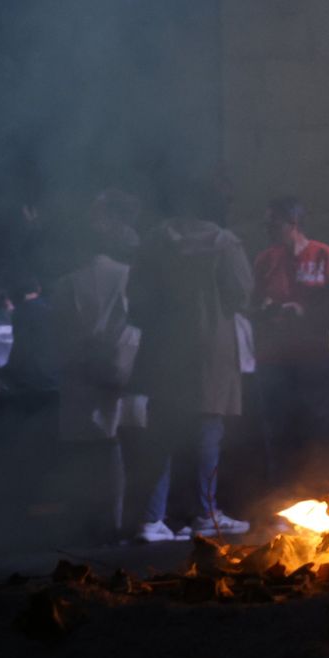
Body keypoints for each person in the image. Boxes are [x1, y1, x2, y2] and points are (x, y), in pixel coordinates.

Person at [127, 179, 254, 540]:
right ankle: (206, 513)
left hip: (163, 352)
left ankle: (152, 519)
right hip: (210, 352)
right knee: (208, 434)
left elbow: (135, 298)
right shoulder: (225, 244)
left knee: (161, 435)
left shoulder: (154, 243)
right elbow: (241, 295)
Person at [51, 221, 146, 542]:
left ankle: (86, 522)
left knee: (89, 447)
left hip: (82, 371)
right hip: (122, 366)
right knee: (119, 440)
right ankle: (120, 521)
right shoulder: (127, 274)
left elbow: (59, 332)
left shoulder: (65, 283)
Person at [249, 196, 329, 494]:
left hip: (315, 360)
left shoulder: (326, 256)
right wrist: (266, 308)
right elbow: (250, 305)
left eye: (274, 222)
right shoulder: (265, 260)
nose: (268, 228)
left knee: (317, 430)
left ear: (293, 223)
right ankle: (282, 498)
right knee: (278, 433)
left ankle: (322, 495)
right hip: (274, 360)